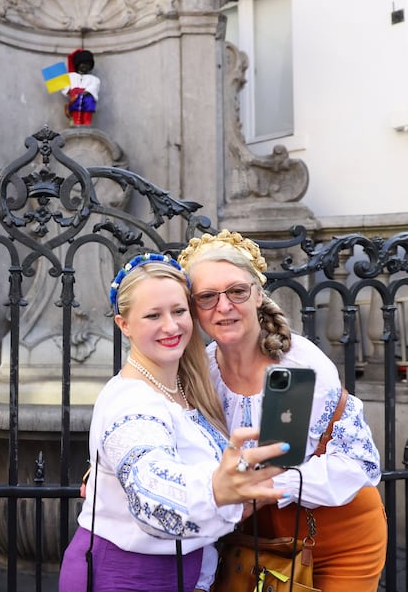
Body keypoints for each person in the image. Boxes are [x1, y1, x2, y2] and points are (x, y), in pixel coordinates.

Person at [58, 252, 291, 592]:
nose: (171, 326)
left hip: (182, 574)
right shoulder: (132, 402)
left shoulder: (188, 384)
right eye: (153, 315)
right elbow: (150, 490)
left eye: (179, 311)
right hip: (123, 577)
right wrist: (217, 491)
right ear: (123, 324)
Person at [178, 230, 388, 592]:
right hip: (254, 541)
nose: (223, 306)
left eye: (237, 291)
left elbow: (358, 462)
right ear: (194, 308)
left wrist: (264, 488)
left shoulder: (299, 363)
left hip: (339, 534)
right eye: (207, 297)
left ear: (258, 294)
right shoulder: (200, 372)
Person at [62, 49, 100, 126]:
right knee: (76, 104)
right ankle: (76, 122)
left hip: (87, 96)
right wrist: (69, 91)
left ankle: (86, 122)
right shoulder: (70, 76)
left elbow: (94, 86)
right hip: (75, 97)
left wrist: (86, 92)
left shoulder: (94, 79)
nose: (85, 66)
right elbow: (64, 86)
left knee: (89, 102)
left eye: (88, 64)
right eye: (83, 63)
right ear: (78, 64)